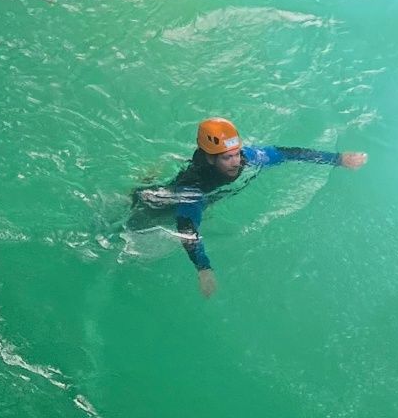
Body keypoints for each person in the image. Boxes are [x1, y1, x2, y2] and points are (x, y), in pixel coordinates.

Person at [130, 117, 365, 298]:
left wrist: (337, 159)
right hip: (159, 205)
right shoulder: (194, 187)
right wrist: (203, 268)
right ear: (211, 159)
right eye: (227, 158)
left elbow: (289, 153)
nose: (237, 162)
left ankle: (147, 178)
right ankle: (141, 186)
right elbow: (187, 228)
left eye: (237, 154)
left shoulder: (247, 157)